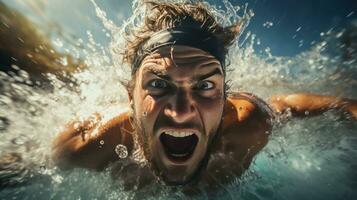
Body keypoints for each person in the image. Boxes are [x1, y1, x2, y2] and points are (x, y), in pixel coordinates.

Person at [51, 1, 357, 193]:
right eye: (158, 85)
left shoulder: (247, 124)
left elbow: (287, 105)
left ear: (225, 99)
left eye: (205, 86)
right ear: (131, 98)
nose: (182, 111)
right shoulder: (88, 147)